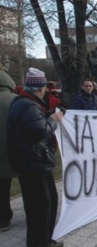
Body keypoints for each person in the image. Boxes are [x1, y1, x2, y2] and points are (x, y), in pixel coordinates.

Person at [7, 67, 64, 246]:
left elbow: (32, 124)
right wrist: (53, 120)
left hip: (29, 163)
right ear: (40, 88)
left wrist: (47, 115)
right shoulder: (30, 105)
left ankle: (41, 240)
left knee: (40, 205)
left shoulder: (23, 103)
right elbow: (39, 131)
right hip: (34, 164)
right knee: (43, 206)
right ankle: (41, 242)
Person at [0, 70, 18, 232]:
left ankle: (3, 219)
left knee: (2, 187)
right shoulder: (18, 100)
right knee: (29, 185)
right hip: (18, 152)